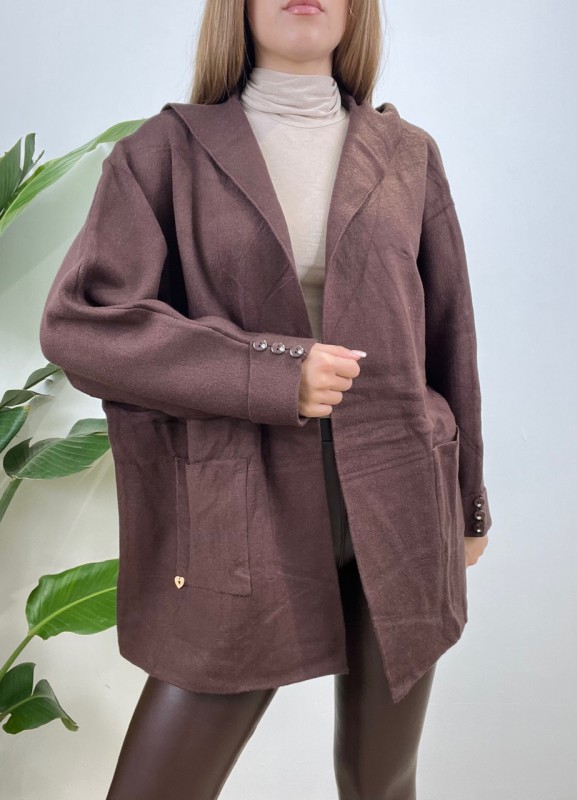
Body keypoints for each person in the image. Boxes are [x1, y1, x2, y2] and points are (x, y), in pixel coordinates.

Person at [39, 1, 491, 798]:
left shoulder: (408, 154)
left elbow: (450, 335)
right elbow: (82, 327)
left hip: (403, 500)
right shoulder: (162, 154)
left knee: (382, 781)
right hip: (241, 507)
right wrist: (272, 370)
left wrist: (470, 502)